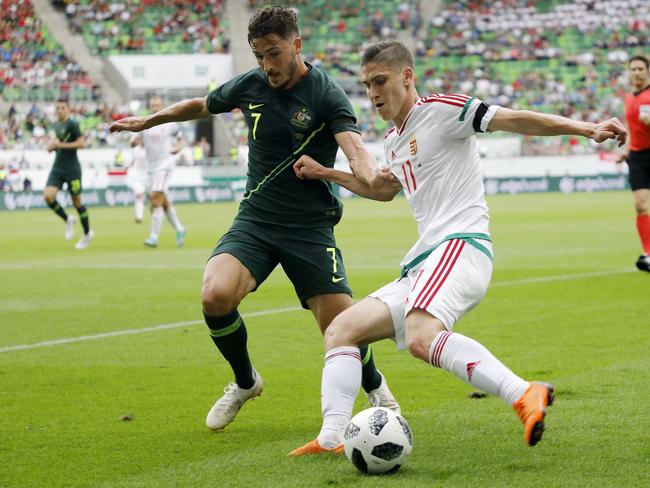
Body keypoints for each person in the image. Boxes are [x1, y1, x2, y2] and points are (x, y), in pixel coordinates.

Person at [289, 40, 627, 455]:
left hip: (460, 246)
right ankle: (332, 438)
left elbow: (515, 119)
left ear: (407, 76)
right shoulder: (394, 140)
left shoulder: (442, 110)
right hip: (426, 262)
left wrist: (586, 128)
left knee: (420, 335)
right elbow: (381, 188)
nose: (373, 94)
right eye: (366, 85)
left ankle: (524, 393)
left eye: (381, 81)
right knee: (342, 329)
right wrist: (327, 172)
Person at [109, 6, 400, 438]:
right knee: (215, 294)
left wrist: (371, 172)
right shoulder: (251, 84)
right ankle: (246, 382)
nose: (267, 64)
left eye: (274, 52)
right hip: (257, 220)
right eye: (259, 54)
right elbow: (203, 104)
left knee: (341, 328)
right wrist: (152, 119)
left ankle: (377, 389)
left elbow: (355, 149)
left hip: (308, 226)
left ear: (296, 46)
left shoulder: (326, 93)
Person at [43, 99, 94, 250]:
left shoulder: (73, 124)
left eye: (62, 108)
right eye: (57, 108)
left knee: (77, 202)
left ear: (68, 109)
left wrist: (60, 145)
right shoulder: (56, 125)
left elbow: (81, 144)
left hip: (72, 170)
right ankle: (68, 219)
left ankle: (87, 234)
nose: (59, 110)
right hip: (57, 168)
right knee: (48, 196)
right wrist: (52, 147)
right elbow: (56, 143)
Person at [616, 55, 650, 272]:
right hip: (637, 157)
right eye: (633, 69)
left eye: (640, 68)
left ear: (647, 71)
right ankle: (648, 253)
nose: (636, 72)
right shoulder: (628, 98)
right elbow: (634, 129)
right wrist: (626, 152)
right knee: (640, 205)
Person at [141, 96, 186, 247]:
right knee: (161, 203)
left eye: (157, 105)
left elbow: (181, 139)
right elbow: (137, 140)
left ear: (162, 106)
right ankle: (180, 228)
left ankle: (153, 237)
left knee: (155, 199)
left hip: (164, 165)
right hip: (150, 168)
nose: (155, 107)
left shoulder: (169, 123)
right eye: (152, 105)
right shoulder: (145, 122)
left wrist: (178, 147)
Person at [126, 134, 147, 223]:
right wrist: (127, 166)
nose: (140, 140)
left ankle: (156, 215)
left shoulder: (150, 149)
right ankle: (139, 216)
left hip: (149, 176)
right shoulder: (135, 150)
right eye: (139, 139)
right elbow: (132, 160)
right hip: (138, 176)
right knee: (139, 195)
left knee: (154, 198)